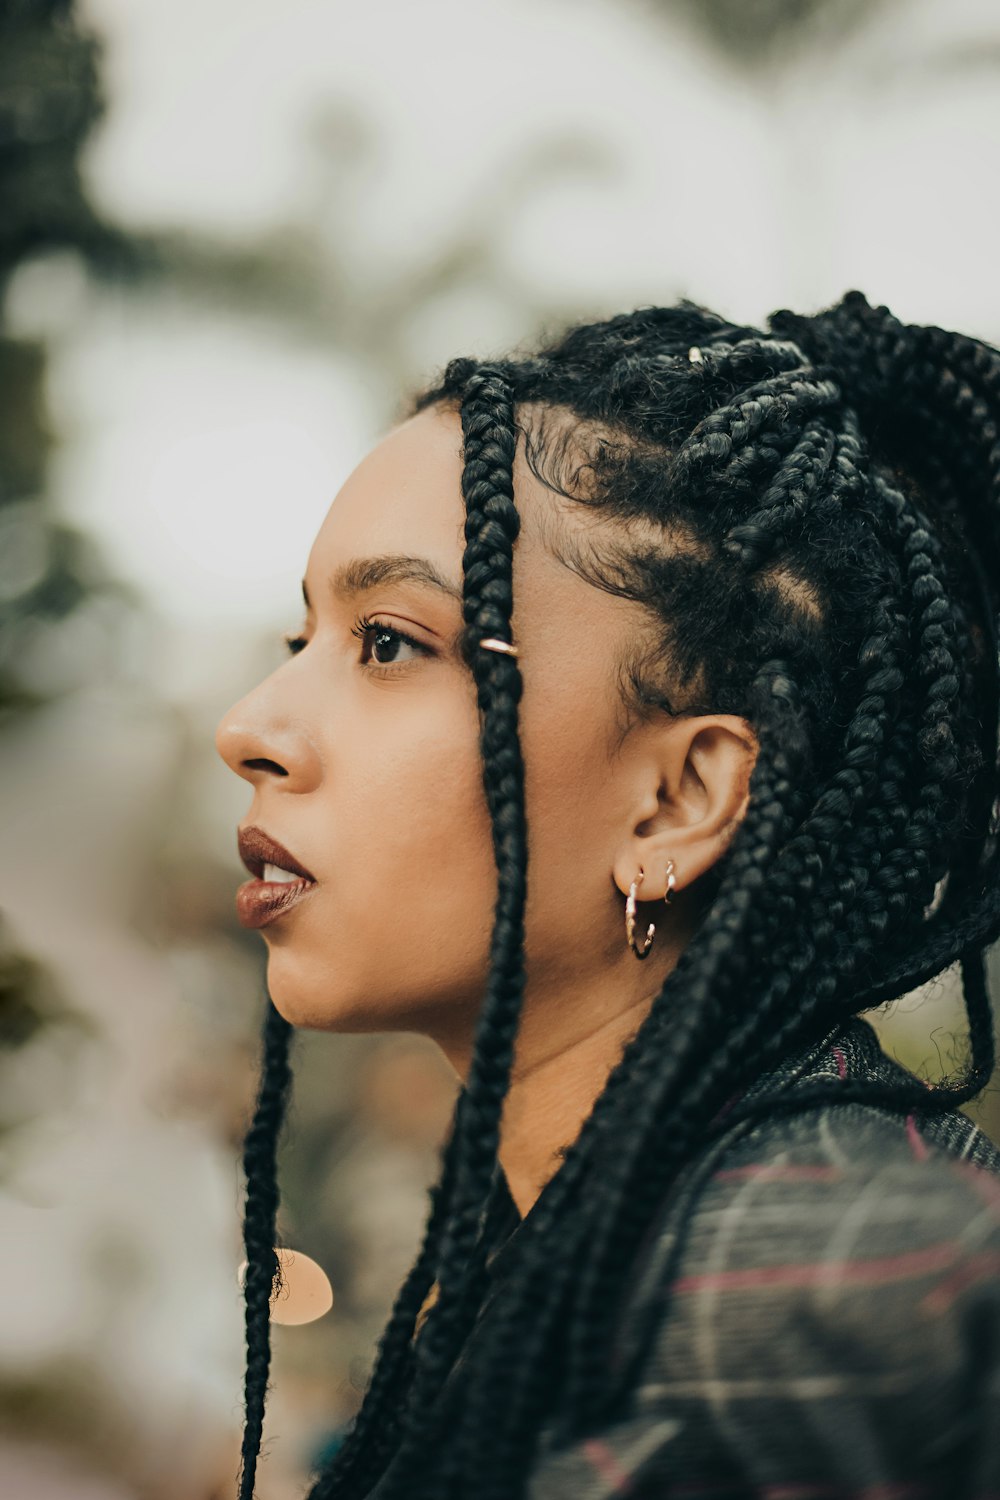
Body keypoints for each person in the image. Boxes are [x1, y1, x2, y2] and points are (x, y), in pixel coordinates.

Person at [214, 290, 1000, 1499]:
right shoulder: (579, 1257)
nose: (250, 731)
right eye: (298, 641)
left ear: (678, 803)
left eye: (387, 642)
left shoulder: (841, 1278)